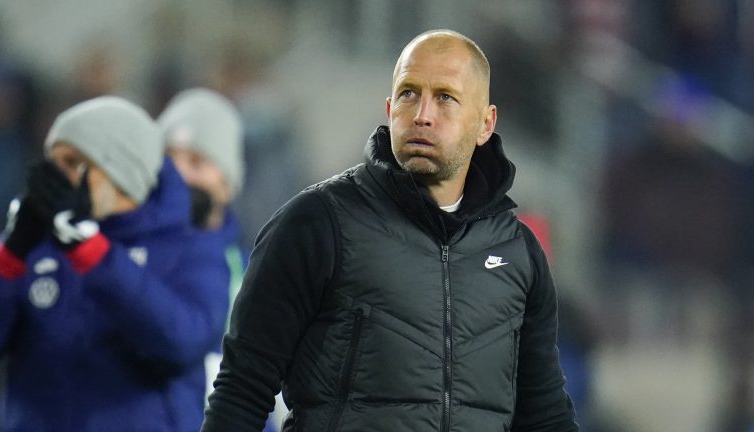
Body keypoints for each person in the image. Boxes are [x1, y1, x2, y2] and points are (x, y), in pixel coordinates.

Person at [202, 29, 578, 431]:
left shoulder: (516, 250)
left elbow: (545, 414)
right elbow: (242, 391)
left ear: (486, 123)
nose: (422, 114)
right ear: (389, 108)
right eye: (408, 94)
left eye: (445, 97)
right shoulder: (317, 222)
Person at [0, 96, 230, 431]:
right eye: (52, 163)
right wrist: (8, 256)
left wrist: (91, 251)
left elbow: (181, 342)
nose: (56, 179)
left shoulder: (191, 247)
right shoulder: (35, 244)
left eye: (73, 163)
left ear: (120, 171)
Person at [158, 87, 286, 431]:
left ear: (227, 183)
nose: (179, 176)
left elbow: (267, 402)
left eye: (197, 162)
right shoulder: (127, 258)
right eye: (169, 160)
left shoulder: (253, 281)